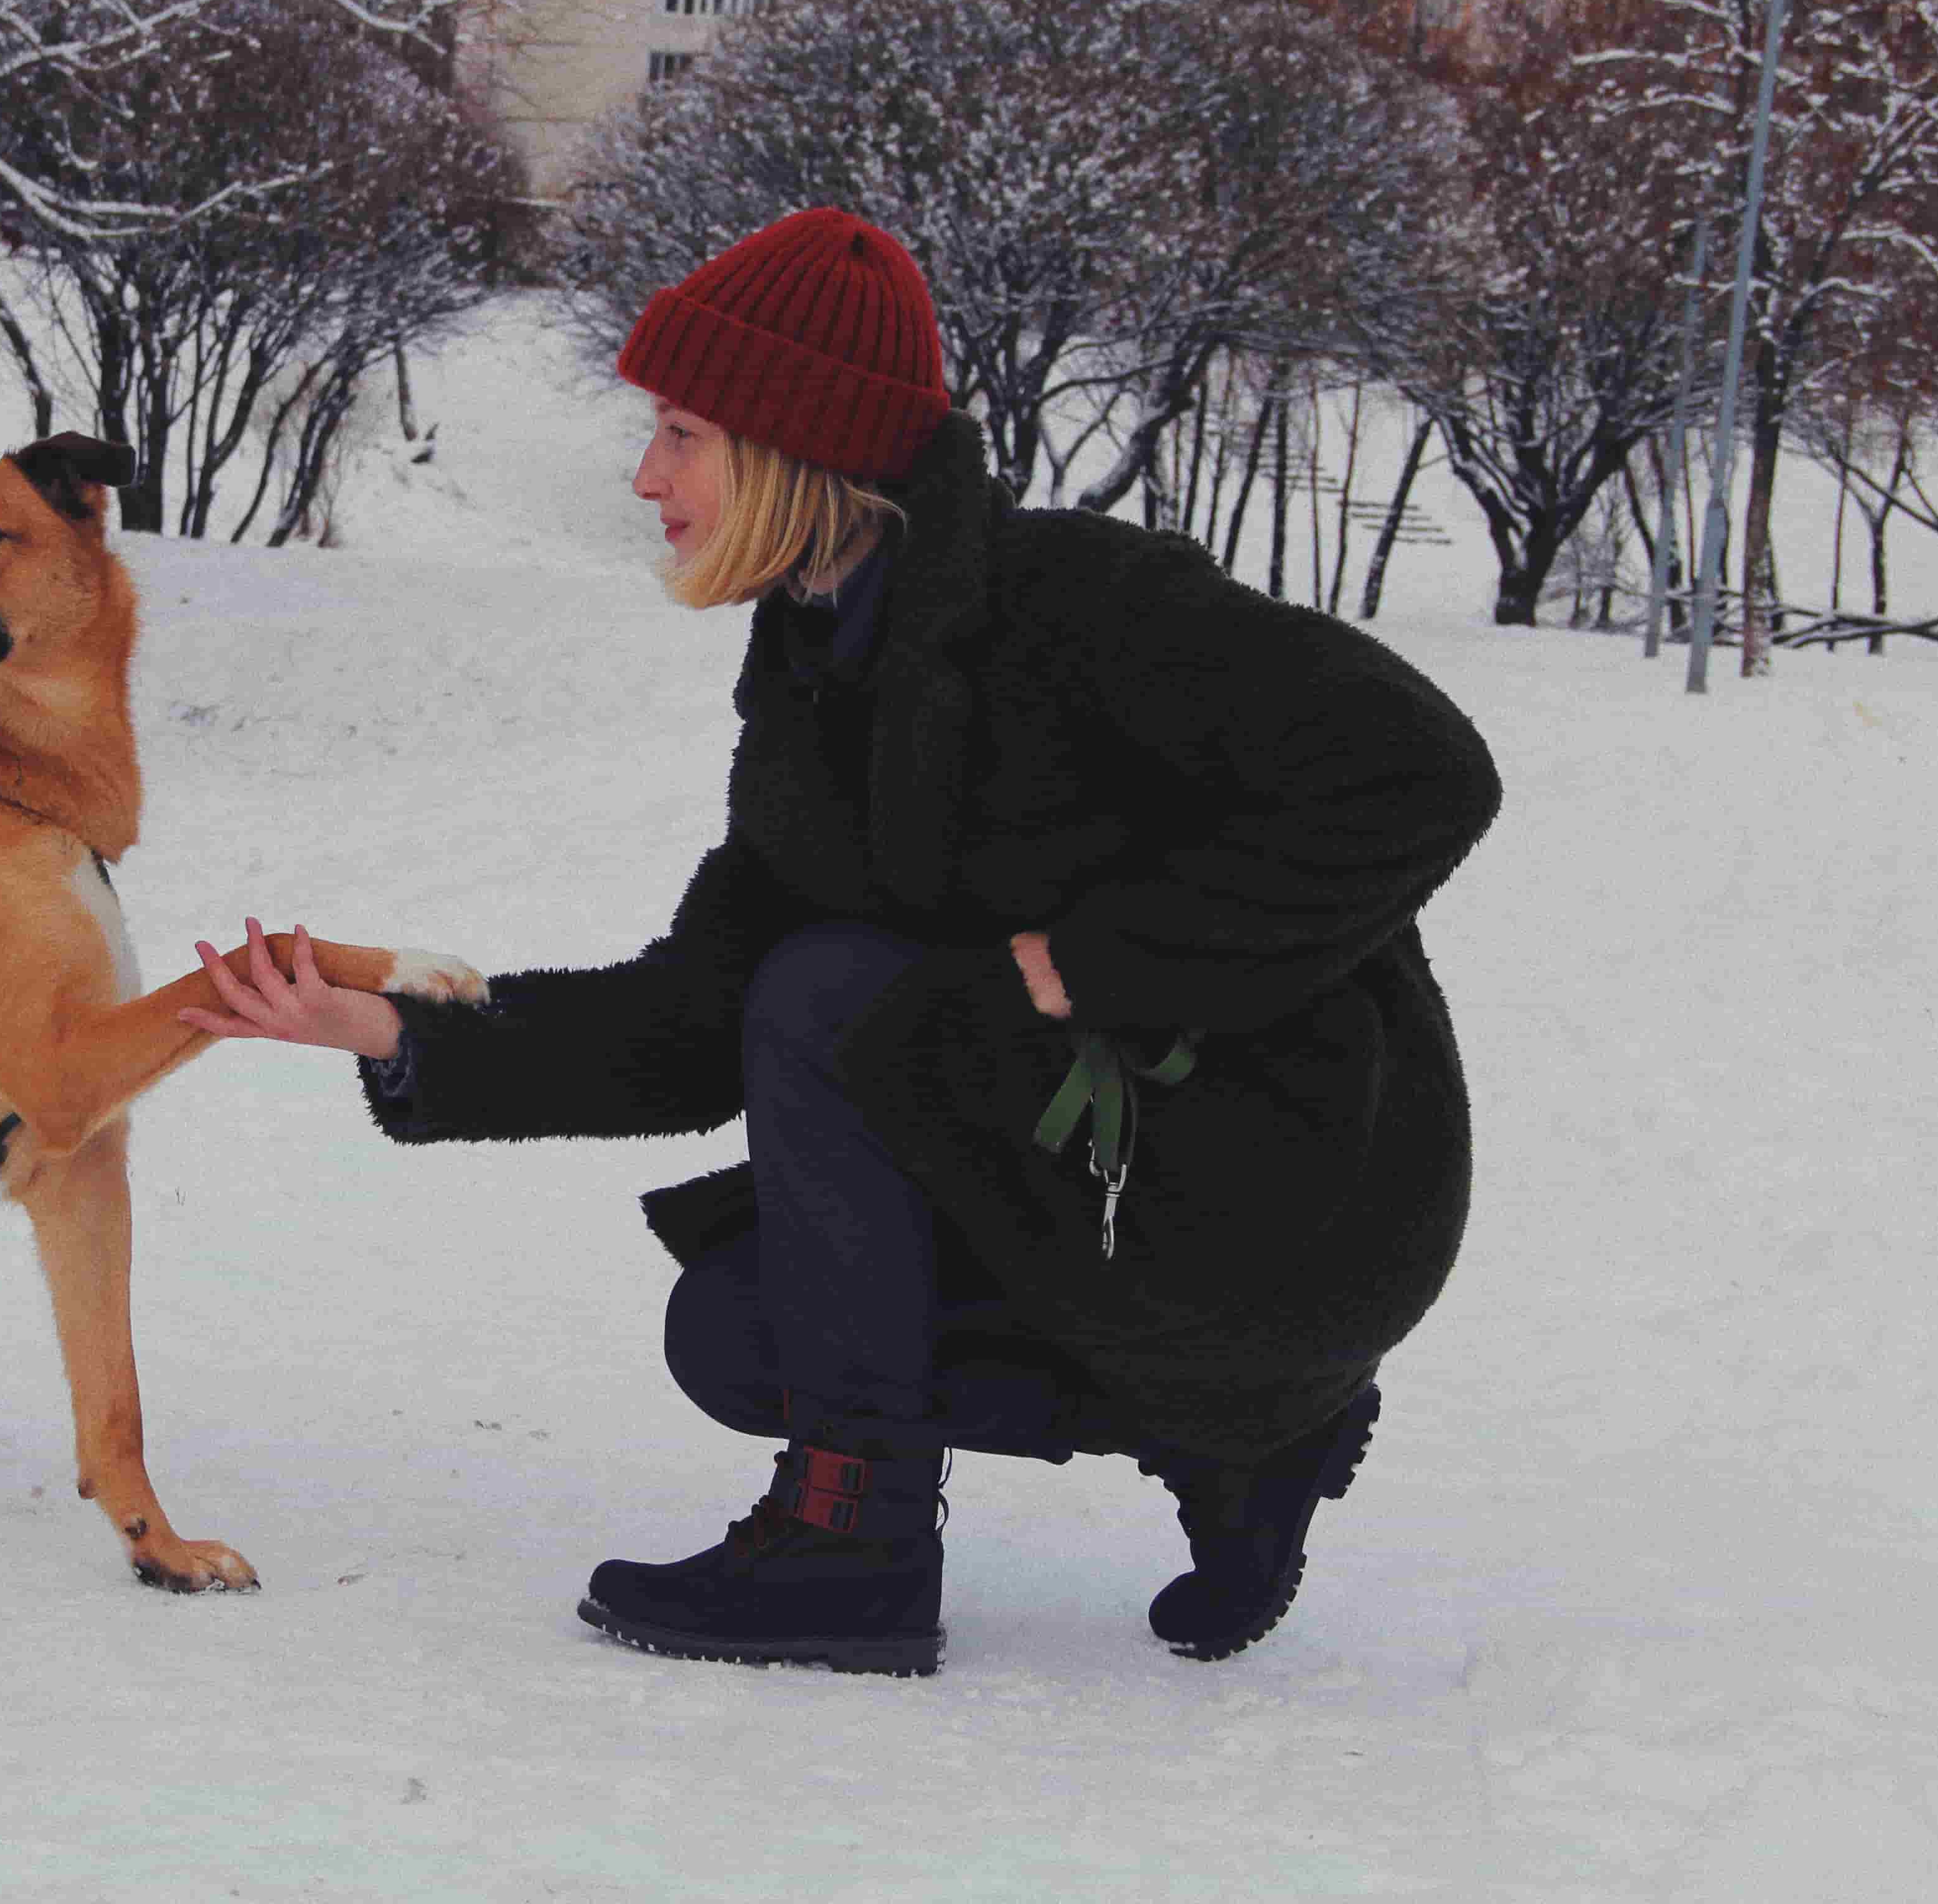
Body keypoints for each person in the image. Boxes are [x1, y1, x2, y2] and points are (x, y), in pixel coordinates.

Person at [181, 207, 1501, 1676]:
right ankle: (1252, 1438)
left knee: (841, 997)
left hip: (1289, 1186)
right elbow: (697, 1021)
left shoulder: (1079, 605)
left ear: (796, 447)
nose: (646, 475)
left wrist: (1096, 966)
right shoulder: (822, 678)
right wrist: (395, 1035)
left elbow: (1421, 773)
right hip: (1103, 1181)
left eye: (682, 431)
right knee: (740, 1329)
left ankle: (851, 1544)